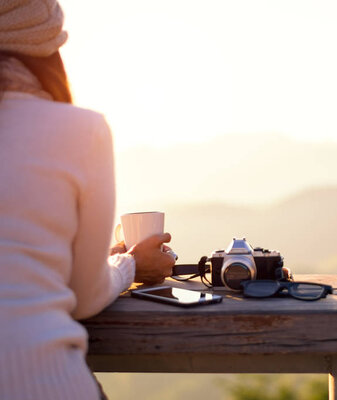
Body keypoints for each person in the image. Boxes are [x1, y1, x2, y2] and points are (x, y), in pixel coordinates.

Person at [0, 1, 176, 398]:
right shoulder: (82, 129)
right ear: (46, 48)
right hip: (43, 382)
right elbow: (85, 297)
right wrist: (128, 262)